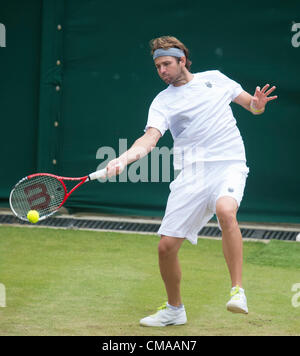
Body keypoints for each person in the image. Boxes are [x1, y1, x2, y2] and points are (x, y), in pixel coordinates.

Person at [105, 36, 277, 327]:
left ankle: (238, 291)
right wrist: (124, 158)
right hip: (191, 175)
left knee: (225, 210)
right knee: (166, 248)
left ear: (182, 59)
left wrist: (258, 105)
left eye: (166, 64)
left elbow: (252, 106)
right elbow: (149, 138)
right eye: (157, 66)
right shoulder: (162, 101)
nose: (162, 71)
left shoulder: (216, 80)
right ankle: (174, 309)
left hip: (228, 165)